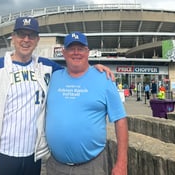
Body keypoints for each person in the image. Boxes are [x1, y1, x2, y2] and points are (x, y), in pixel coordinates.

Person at [0, 17, 113, 175]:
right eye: (22, 34)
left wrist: (92, 68)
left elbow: (73, 68)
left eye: (31, 36)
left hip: (32, 158)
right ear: (13, 38)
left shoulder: (47, 67)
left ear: (37, 41)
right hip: (1, 155)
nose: (26, 40)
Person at [45, 32, 128, 175]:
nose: (76, 53)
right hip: (55, 166)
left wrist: (122, 163)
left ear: (88, 52)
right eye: (71, 49)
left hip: (91, 167)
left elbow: (120, 120)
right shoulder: (53, 77)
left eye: (81, 48)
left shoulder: (104, 79)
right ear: (64, 53)